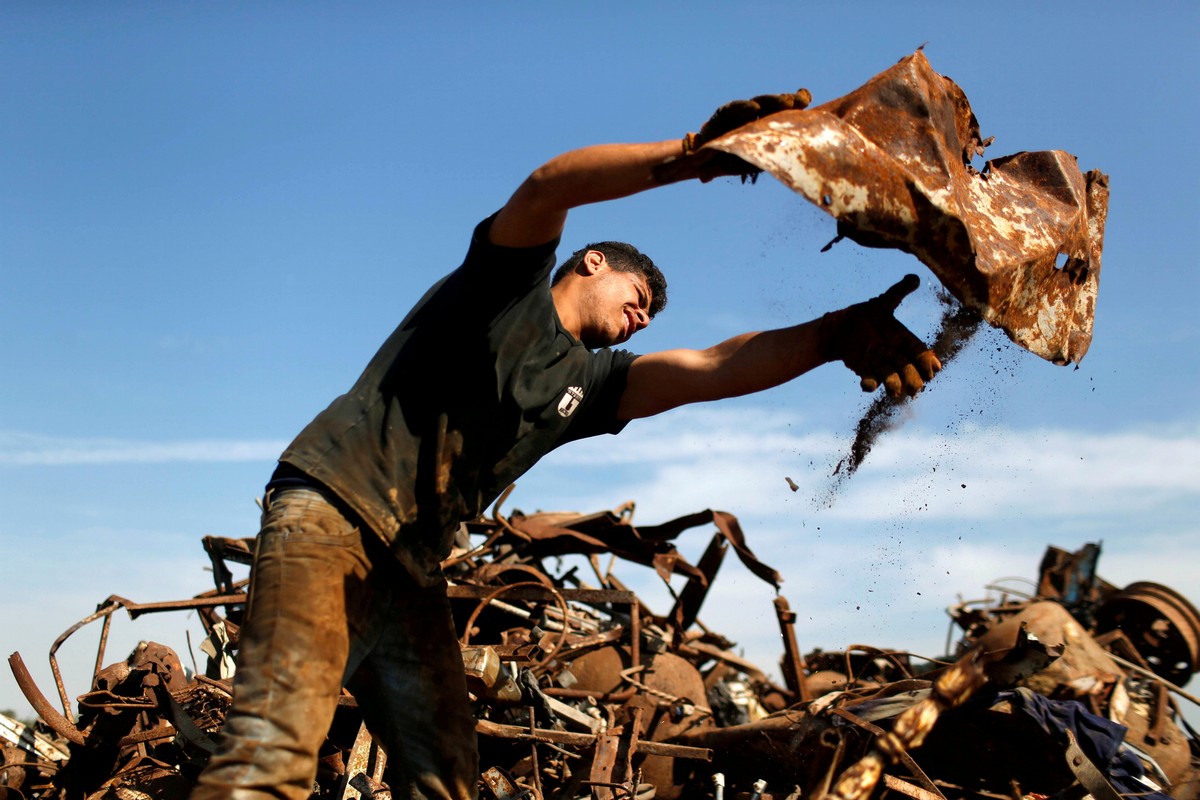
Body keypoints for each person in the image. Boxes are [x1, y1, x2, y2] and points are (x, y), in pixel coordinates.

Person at [191, 94, 942, 800]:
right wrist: (692, 155)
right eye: (637, 299)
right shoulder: (504, 290)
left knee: (446, 779)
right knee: (272, 753)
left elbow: (711, 369)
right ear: (590, 263)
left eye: (648, 316)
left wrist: (833, 335)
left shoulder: (592, 384)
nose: (642, 319)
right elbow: (548, 187)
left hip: (408, 570)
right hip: (336, 515)